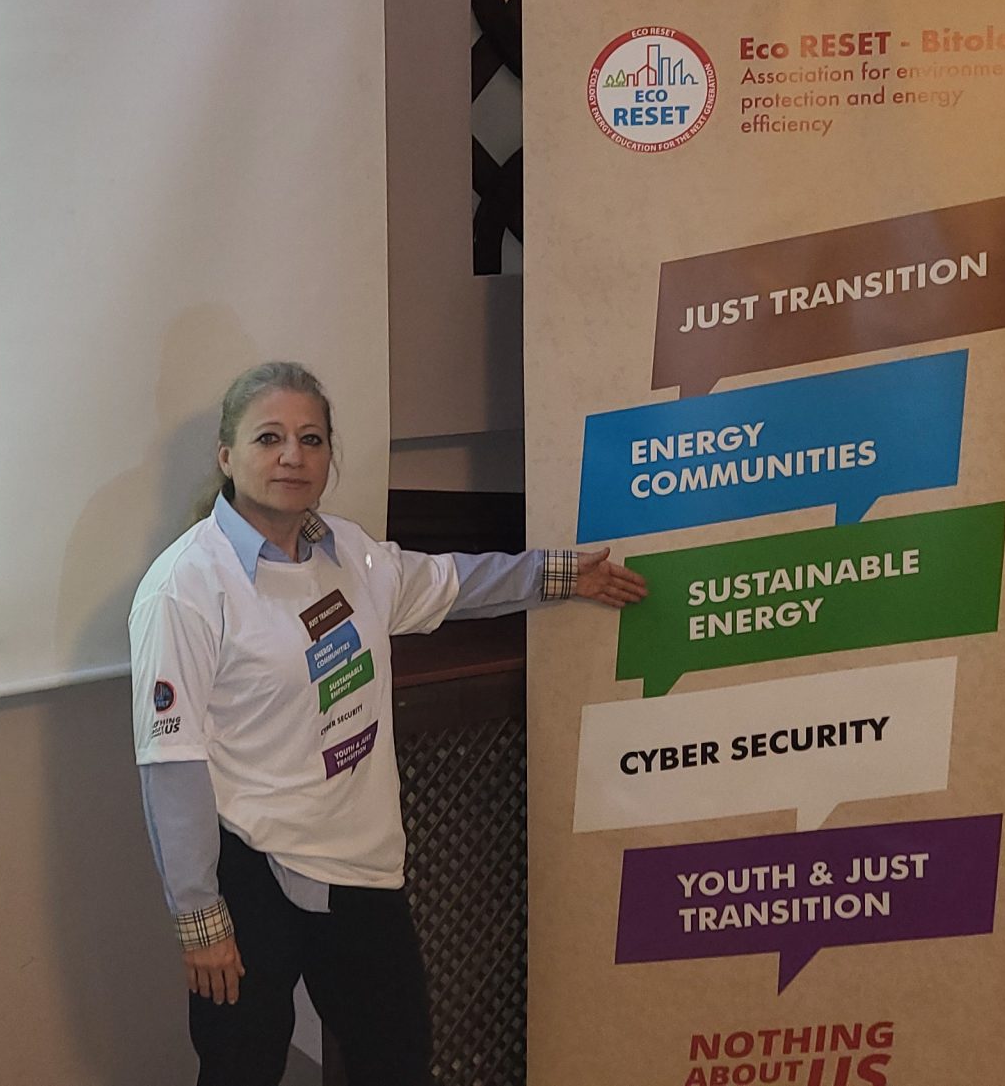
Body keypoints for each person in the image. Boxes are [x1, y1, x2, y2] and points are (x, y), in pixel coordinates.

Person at [131, 361, 646, 1085]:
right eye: (269, 437)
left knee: (397, 1061)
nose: (292, 456)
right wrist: (199, 917)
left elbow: (454, 582)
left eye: (311, 439)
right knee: (241, 1069)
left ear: (329, 456)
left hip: (360, 863)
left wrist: (560, 575)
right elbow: (171, 762)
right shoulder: (185, 586)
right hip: (250, 870)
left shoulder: (351, 554)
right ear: (227, 456)